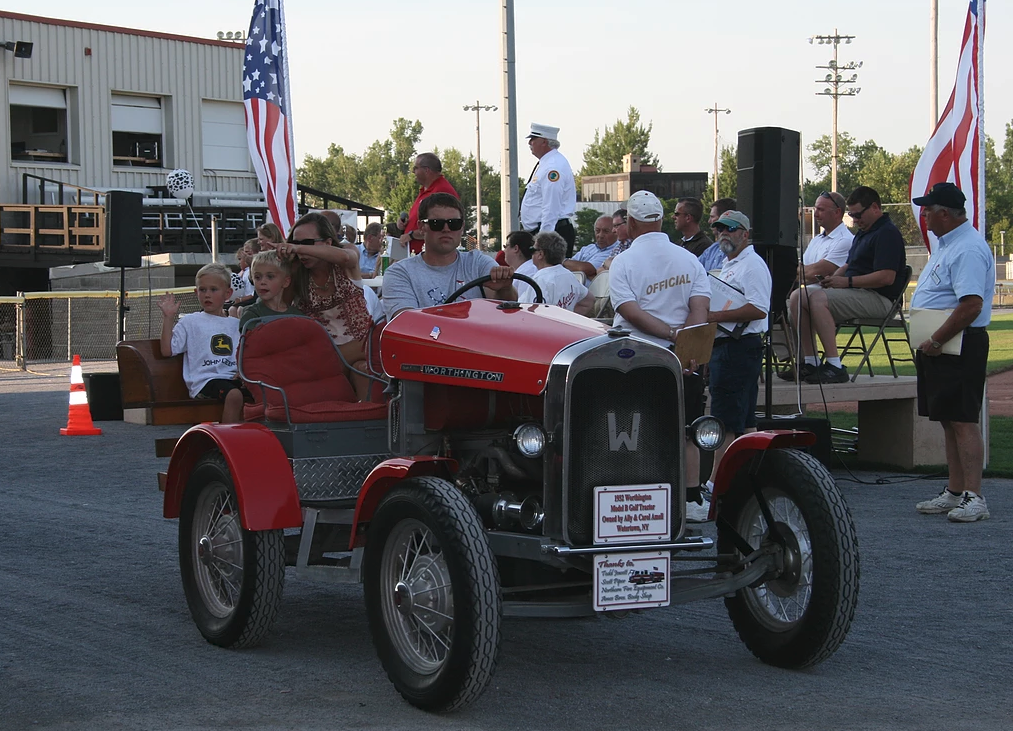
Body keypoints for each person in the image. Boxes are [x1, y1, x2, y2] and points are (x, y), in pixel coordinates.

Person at [608, 191, 711, 521]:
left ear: (633, 223)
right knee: (688, 428)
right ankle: (692, 499)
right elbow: (700, 309)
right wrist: (687, 347)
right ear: (661, 220)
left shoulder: (624, 261)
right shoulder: (689, 259)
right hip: (683, 358)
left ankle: (639, 496)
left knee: (633, 428)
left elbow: (630, 311)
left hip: (634, 356)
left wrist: (669, 334)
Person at [910, 182, 995, 522]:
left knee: (962, 420)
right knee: (948, 419)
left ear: (944, 213)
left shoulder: (968, 249)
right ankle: (956, 491)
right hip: (942, 345)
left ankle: (974, 497)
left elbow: (971, 305)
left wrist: (935, 338)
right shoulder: (946, 245)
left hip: (959, 343)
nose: (924, 215)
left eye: (928, 209)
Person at [791, 186, 907, 384]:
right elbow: (850, 264)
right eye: (852, 215)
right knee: (796, 297)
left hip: (881, 299)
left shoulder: (887, 233)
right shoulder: (864, 232)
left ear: (875, 208)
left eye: (858, 214)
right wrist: (834, 279)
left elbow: (886, 277)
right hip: (858, 292)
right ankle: (811, 362)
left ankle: (835, 365)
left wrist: (846, 282)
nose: (854, 220)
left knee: (817, 298)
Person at [276, 212, 374, 402]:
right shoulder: (297, 272)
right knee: (360, 367)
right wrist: (286, 266)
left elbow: (347, 257)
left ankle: (367, 419)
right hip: (321, 353)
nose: (300, 250)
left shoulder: (347, 254)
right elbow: (282, 307)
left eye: (307, 243)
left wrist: (297, 248)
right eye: (296, 243)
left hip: (358, 346)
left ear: (328, 243)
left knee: (363, 361)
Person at [706, 211, 772, 487]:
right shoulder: (731, 262)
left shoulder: (752, 266)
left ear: (745, 234)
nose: (724, 234)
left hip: (738, 345)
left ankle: (716, 483)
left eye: (731, 230)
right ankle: (749, 477)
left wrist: (715, 316)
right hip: (735, 346)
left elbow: (759, 308)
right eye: (720, 229)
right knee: (744, 419)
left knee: (725, 419)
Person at [383, 192, 516, 319]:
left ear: (462, 227)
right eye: (437, 223)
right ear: (422, 227)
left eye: (454, 224)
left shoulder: (478, 262)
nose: (446, 229)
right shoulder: (400, 273)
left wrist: (505, 288)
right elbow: (407, 326)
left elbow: (506, 309)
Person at [780, 191, 854, 381]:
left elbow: (816, 271)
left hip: (831, 295)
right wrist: (805, 272)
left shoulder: (844, 240)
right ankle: (808, 361)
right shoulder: (817, 240)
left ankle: (830, 363)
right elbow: (804, 271)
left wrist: (805, 272)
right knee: (780, 305)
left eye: (821, 209)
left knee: (795, 299)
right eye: (815, 209)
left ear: (837, 212)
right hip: (812, 292)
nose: (816, 213)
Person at [158, 262, 245, 423]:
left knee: (263, 391)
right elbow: (167, 350)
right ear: (196, 292)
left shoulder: (235, 324)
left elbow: (242, 356)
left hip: (232, 379)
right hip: (205, 381)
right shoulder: (190, 321)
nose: (207, 295)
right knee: (234, 395)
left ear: (227, 294)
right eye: (202, 290)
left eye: (213, 290)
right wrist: (168, 318)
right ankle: (227, 442)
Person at [520, 123, 577, 257]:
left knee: (547, 275)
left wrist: (543, 240)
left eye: (533, 139)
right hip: (545, 231)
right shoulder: (547, 163)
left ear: (544, 142)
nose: (530, 143)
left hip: (551, 232)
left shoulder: (553, 166)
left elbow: (551, 206)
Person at [519, 231, 594, 315]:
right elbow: (588, 301)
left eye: (532, 250)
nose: (531, 253)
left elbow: (534, 313)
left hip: (545, 327)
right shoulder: (569, 275)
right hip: (563, 326)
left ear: (540, 254)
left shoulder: (540, 279)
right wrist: (569, 317)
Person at [402, 152, 459, 255]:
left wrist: (411, 235)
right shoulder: (425, 191)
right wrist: (405, 224)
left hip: (430, 259)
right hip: (416, 256)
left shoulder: (442, 191)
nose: (413, 171)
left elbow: (440, 226)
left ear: (426, 170)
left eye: (416, 168)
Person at [239, 250, 303, 331]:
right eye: (257, 277)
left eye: (270, 277)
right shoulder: (251, 314)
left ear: (286, 282)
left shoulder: (297, 315)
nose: (262, 282)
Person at [567, 215, 619, 279]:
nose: (600, 235)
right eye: (597, 231)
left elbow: (586, 269)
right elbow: (566, 267)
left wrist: (564, 262)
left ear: (615, 232)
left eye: (606, 231)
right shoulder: (587, 248)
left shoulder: (616, 251)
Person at [697, 197, 736, 272]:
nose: (709, 221)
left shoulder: (737, 251)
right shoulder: (712, 249)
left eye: (712, 217)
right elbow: (694, 268)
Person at [503, 230, 540, 302]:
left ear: (516, 248)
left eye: (505, 246)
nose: (504, 250)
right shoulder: (530, 268)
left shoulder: (528, 272)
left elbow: (523, 305)